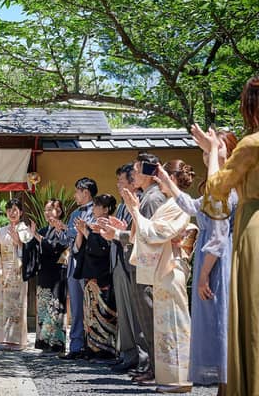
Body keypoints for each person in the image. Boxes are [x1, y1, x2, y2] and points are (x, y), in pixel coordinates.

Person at [161, 132, 237, 395]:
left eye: (214, 149)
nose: (208, 155)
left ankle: (230, 384)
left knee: (220, 321)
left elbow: (218, 236)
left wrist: (204, 274)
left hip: (218, 261)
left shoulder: (226, 185)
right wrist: (166, 182)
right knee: (214, 322)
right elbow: (192, 206)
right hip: (213, 258)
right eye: (205, 151)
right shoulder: (214, 186)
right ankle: (225, 387)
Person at [198, 74, 259, 396]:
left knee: (251, 316)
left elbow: (214, 197)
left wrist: (211, 155)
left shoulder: (252, 144)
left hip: (254, 230)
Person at [125, 159, 194, 394]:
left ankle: (180, 377)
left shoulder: (179, 204)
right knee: (164, 325)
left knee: (175, 322)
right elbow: (148, 233)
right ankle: (168, 377)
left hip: (171, 268)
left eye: (162, 176)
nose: (157, 179)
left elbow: (156, 233)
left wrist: (134, 210)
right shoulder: (170, 203)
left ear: (171, 179)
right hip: (163, 270)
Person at [0, 198, 33, 351]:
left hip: (17, 270)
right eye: (9, 210)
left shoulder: (24, 229)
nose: (12, 213)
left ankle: (18, 341)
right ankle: (5, 338)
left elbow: (30, 252)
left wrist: (19, 243)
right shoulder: (1, 230)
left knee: (17, 306)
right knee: (3, 306)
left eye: (15, 210)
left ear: (21, 212)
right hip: (3, 271)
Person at [74, 193, 118, 361]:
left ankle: (104, 349)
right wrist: (82, 232)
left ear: (106, 209)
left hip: (102, 274)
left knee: (104, 312)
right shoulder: (94, 225)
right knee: (90, 312)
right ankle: (91, 347)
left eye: (97, 206)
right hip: (90, 273)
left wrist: (86, 232)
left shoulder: (110, 224)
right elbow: (83, 248)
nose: (94, 208)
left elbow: (103, 249)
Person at [107, 163, 141, 372]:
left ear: (133, 182)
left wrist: (119, 232)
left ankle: (138, 356)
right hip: (119, 259)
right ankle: (127, 352)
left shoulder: (139, 202)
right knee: (124, 310)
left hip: (132, 259)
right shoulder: (121, 205)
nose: (118, 185)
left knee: (135, 310)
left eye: (121, 181)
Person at [22, 198, 68, 353]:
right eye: (46, 210)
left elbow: (55, 247)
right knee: (43, 308)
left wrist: (36, 236)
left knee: (55, 307)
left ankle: (56, 343)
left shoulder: (63, 230)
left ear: (59, 211)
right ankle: (43, 342)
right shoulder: (42, 230)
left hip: (57, 273)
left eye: (51, 210)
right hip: (44, 272)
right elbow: (33, 249)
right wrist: (28, 239)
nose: (47, 213)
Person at [58, 177, 97, 360]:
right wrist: (62, 230)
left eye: (77, 191)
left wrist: (72, 230)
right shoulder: (75, 213)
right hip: (73, 260)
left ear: (85, 192)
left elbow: (92, 233)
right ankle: (75, 345)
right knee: (75, 304)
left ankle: (93, 345)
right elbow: (68, 237)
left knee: (90, 303)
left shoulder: (97, 210)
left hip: (89, 261)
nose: (75, 195)